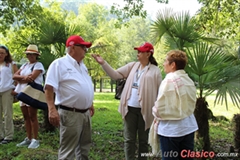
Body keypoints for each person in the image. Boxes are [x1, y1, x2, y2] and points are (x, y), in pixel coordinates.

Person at [92, 42, 162, 160]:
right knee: (129, 139)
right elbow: (115, 75)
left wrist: (158, 112)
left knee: (143, 141)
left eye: (140, 51)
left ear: (148, 54)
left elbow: (159, 92)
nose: (138, 53)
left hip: (146, 111)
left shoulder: (155, 71)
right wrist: (103, 63)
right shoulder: (133, 66)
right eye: (137, 51)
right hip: (130, 109)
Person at [44, 35, 95, 160]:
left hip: (85, 114)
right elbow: (48, 88)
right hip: (70, 113)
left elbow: (84, 85)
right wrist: (51, 109)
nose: (85, 50)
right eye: (83, 47)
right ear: (72, 47)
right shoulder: (59, 64)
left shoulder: (82, 66)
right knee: (68, 151)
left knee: (84, 148)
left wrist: (89, 103)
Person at [149, 50, 198, 160]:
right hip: (188, 127)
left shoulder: (169, 81)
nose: (163, 64)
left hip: (171, 130)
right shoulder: (188, 80)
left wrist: (154, 111)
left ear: (173, 65)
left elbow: (159, 108)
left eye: (165, 61)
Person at [13, 44, 45, 149]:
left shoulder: (38, 65)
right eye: (28, 54)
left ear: (36, 55)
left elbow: (31, 78)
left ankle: (35, 139)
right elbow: (14, 76)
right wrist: (24, 77)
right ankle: (28, 138)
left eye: (32, 54)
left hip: (31, 92)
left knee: (32, 116)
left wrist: (21, 78)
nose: (30, 56)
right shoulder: (25, 65)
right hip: (22, 93)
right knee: (25, 116)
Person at [0, 45, 18, 144]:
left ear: (6, 54)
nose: (0, 55)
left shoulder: (11, 64)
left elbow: (17, 76)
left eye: (2, 53)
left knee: (7, 114)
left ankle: (8, 136)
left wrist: (16, 88)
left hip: (7, 90)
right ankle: (0, 135)